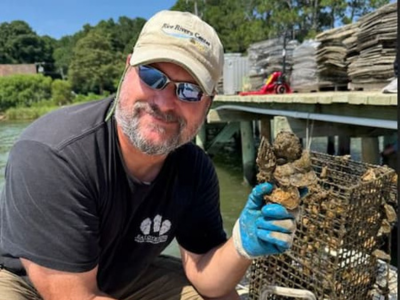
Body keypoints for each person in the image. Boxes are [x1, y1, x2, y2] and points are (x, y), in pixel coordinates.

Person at [0, 10, 298, 300]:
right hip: (25, 282)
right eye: (152, 76)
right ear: (127, 69)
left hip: (123, 276)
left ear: (208, 104)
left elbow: (207, 278)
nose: (165, 102)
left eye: (190, 91)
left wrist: (241, 245)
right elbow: (76, 295)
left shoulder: (194, 170)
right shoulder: (55, 155)